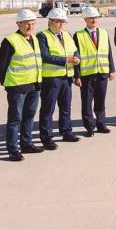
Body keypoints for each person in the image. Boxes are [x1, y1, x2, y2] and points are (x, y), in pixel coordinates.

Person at [0, 9, 44, 161]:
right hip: (17, 87)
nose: (30, 26)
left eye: (32, 23)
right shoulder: (10, 41)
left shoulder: (35, 39)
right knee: (15, 119)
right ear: (18, 24)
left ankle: (27, 143)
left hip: (34, 85)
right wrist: (8, 84)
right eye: (26, 24)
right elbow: (1, 66)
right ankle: (13, 149)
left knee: (29, 116)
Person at [37, 8, 80, 148]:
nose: (61, 24)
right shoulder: (42, 36)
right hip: (51, 78)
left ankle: (66, 132)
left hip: (67, 77)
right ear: (50, 21)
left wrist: (77, 58)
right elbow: (44, 55)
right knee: (48, 109)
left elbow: (74, 50)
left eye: (63, 21)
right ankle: (46, 137)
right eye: (58, 21)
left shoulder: (67, 34)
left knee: (66, 107)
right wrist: (65, 60)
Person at [74, 7, 115, 137]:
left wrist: (111, 69)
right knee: (86, 102)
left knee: (100, 100)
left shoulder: (103, 32)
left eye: (96, 17)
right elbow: (76, 57)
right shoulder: (78, 35)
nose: (94, 20)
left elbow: (108, 52)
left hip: (102, 72)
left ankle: (101, 124)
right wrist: (77, 75)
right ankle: (89, 127)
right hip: (87, 75)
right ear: (85, 19)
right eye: (91, 18)